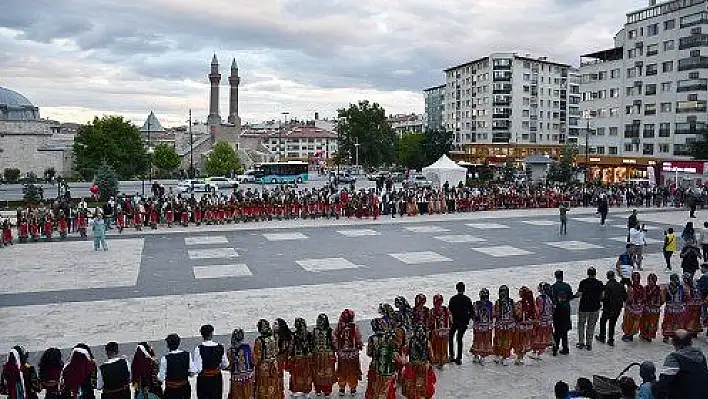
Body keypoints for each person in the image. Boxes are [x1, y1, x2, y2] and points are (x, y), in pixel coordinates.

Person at [653, 329, 708, 399]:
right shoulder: (701, 356)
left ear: (673, 342)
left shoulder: (674, 358)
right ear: (691, 342)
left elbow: (663, 383)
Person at [193, 325, 228, 399]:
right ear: (212, 334)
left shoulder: (199, 349)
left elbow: (198, 368)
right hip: (216, 378)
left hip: (204, 379)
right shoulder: (220, 347)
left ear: (202, 335)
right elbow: (225, 364)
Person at [401, 323, 436, 399]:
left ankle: (415, 396)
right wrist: (431, 363)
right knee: (423, 382)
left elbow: (405, 353)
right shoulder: (427, 342)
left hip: (413, 366)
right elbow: (432, 357)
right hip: (424, 366)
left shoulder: (411, 341)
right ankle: (422, 395)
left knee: (413, 382)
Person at [334, 309, 362, 396]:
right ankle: (353, 388)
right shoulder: (355, 327)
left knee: (342, 371)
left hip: (342, 353)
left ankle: (342, 388)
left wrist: (337, 348)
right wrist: (360, 345)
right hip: (353, 354)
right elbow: (358, 338)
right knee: (353, 371)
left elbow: (334, 337)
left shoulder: (339, 326)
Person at [158, 334, 196, 399]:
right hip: (184, 389)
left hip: (171, 391)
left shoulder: (165, 359)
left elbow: (161, 378)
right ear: (179, 343)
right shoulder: (187, 355)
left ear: (167, 345)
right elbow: (193, 372)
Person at [596, 270, 627, 346]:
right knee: (612, 324)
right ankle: (610, 340)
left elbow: (605, 298)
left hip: (608, 308)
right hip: (617, 308)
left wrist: (601, 300)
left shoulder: (607, 286)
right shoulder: (621, 285)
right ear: (614, 276)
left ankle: (602, 337)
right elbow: (625, 297)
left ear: (607, 277)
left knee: (603, 321)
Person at [253, 319, 282, 399]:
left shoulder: (258, 341)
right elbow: (277, 351)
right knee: (272, 383)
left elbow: (257, 357)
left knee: (263, 384)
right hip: (273, 364)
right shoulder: (272, 338)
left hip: (263, 367)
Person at [576, 267, 604, 351]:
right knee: (591, 326)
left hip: (584, 307)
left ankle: (581, 343)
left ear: (588, 273)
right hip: (595, 307)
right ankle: (589, 344)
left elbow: (579, 294)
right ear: (595, 274)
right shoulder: (599, 283)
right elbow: (602, 296)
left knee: (581, 325)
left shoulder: (583, 282)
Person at [447, 281, 473, 365]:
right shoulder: (467, 299)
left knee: (451, 336)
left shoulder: (453, 299)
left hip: (455, 322)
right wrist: (467, 319)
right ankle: (459, 358)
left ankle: (451, 356)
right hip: (463, 323)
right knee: (459, 339)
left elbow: (449, 311)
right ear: (464, 289)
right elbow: (472, 312)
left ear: (456, 289)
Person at [311, 314, 336, 397]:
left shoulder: (330, 331)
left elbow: (334, 343)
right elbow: (311, 342)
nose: (320, 322)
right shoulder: (314, 331)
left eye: (321, 321)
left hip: (327, 356)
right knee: (317, 373)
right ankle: (318, 389)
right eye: (319, 320)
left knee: (327, 373)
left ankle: (327, 390)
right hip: (317, 356)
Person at [226, 328, 255, 399]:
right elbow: (253, 361)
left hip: (236, 379)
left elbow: (228, 366)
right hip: (248, 378)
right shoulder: (248, 348)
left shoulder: (230, 350)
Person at [551, 270, 574, 356]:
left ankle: (555, 348)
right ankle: (565, 347)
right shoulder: (567, 286)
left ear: (555, 276)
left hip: (557, 311)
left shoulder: (553, 287)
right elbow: (571, 297)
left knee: (557, 330)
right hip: (566, 310)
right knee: (564, 330)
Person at [513, 286, 537, 365]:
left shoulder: (519, 304)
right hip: (528, 327)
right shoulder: (532, 303)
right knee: (524, 342)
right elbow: (536, 314)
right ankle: (521, 357)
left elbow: (517, 316)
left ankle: (518, 357)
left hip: (520, 327)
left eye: (520, 292)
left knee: (519, 342)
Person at [289, 318, 313, 396]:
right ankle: (295, 390)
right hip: (297, 358)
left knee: (307, 374)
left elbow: (312, 345)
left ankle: (306, 391)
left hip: (307, 358)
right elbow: (291, 347)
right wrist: (290, 356)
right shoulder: (293, 335)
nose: (301, 327)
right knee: (295, 375)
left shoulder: (309, 334)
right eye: (299, 325)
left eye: (302, 325)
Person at [470, 288, 494, 364]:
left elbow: (492, 315)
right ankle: (477, 355)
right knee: (478, 340)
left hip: (486, 326)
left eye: (485, 296)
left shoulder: (490, 304)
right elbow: (473, 315)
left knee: (484, 341)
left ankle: (482, 356)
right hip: (479, 326)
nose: (484, 298)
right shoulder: (476, 304)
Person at [493, 285, 515, 365]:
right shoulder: (510, 301)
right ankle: (502, 357)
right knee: (504, 341)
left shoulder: (498, 302)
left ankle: (500, 356)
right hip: (506, 325)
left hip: (502, 325)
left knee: (502, 341)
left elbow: (495, 314)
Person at [531, 282, 554, 357]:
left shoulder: (539, 298)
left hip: (541, 322)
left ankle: (535, 353)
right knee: (544, 338)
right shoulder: (549, 298)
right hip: (548, 321)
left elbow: (539, 311)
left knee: (537, 337)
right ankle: (539, 353)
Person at [427, 294, 450, 369]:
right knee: (436, 346)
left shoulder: (445, 309)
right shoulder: (432, 311)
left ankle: (441, 362)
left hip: (444, 331)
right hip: (435, 332)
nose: (439, 303)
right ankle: (437, 361)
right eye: (437, 302)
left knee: (443, 346)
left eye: (440, 301)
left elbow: (449, 319)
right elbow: (429, 323)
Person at [621, 271, 645, 342]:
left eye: (637, 278)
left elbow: (643, 298)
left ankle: (629, 335)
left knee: (632, 322)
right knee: (629, 322)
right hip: (634, 308)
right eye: (635, 278)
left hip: (634, 308)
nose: (636, 280)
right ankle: (628, 334)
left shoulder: (636, 288)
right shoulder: (634, 287)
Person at [661, 274, 686, 343]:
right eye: (673, 280)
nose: (675, 281)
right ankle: (666, 336)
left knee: (678, 323)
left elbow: (685, 298)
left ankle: (676, 337)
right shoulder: (667, 288)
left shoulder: (682, 288)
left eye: (676, 279)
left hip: (679, 309)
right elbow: (664, 299)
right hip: (670, 308)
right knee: (668, 322)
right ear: (671, 280)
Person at [640, 274, 663, 342]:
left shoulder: (658, 289)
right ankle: (643, 334)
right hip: (646, 309)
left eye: (652, 280)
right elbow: (643, 298)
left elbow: (661, 299)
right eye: (649, 281)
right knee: (645, 322)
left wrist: (657, 305)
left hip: (655, 309)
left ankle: (649, 336)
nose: (650, 282)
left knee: (653, 323)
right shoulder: (645, 288)